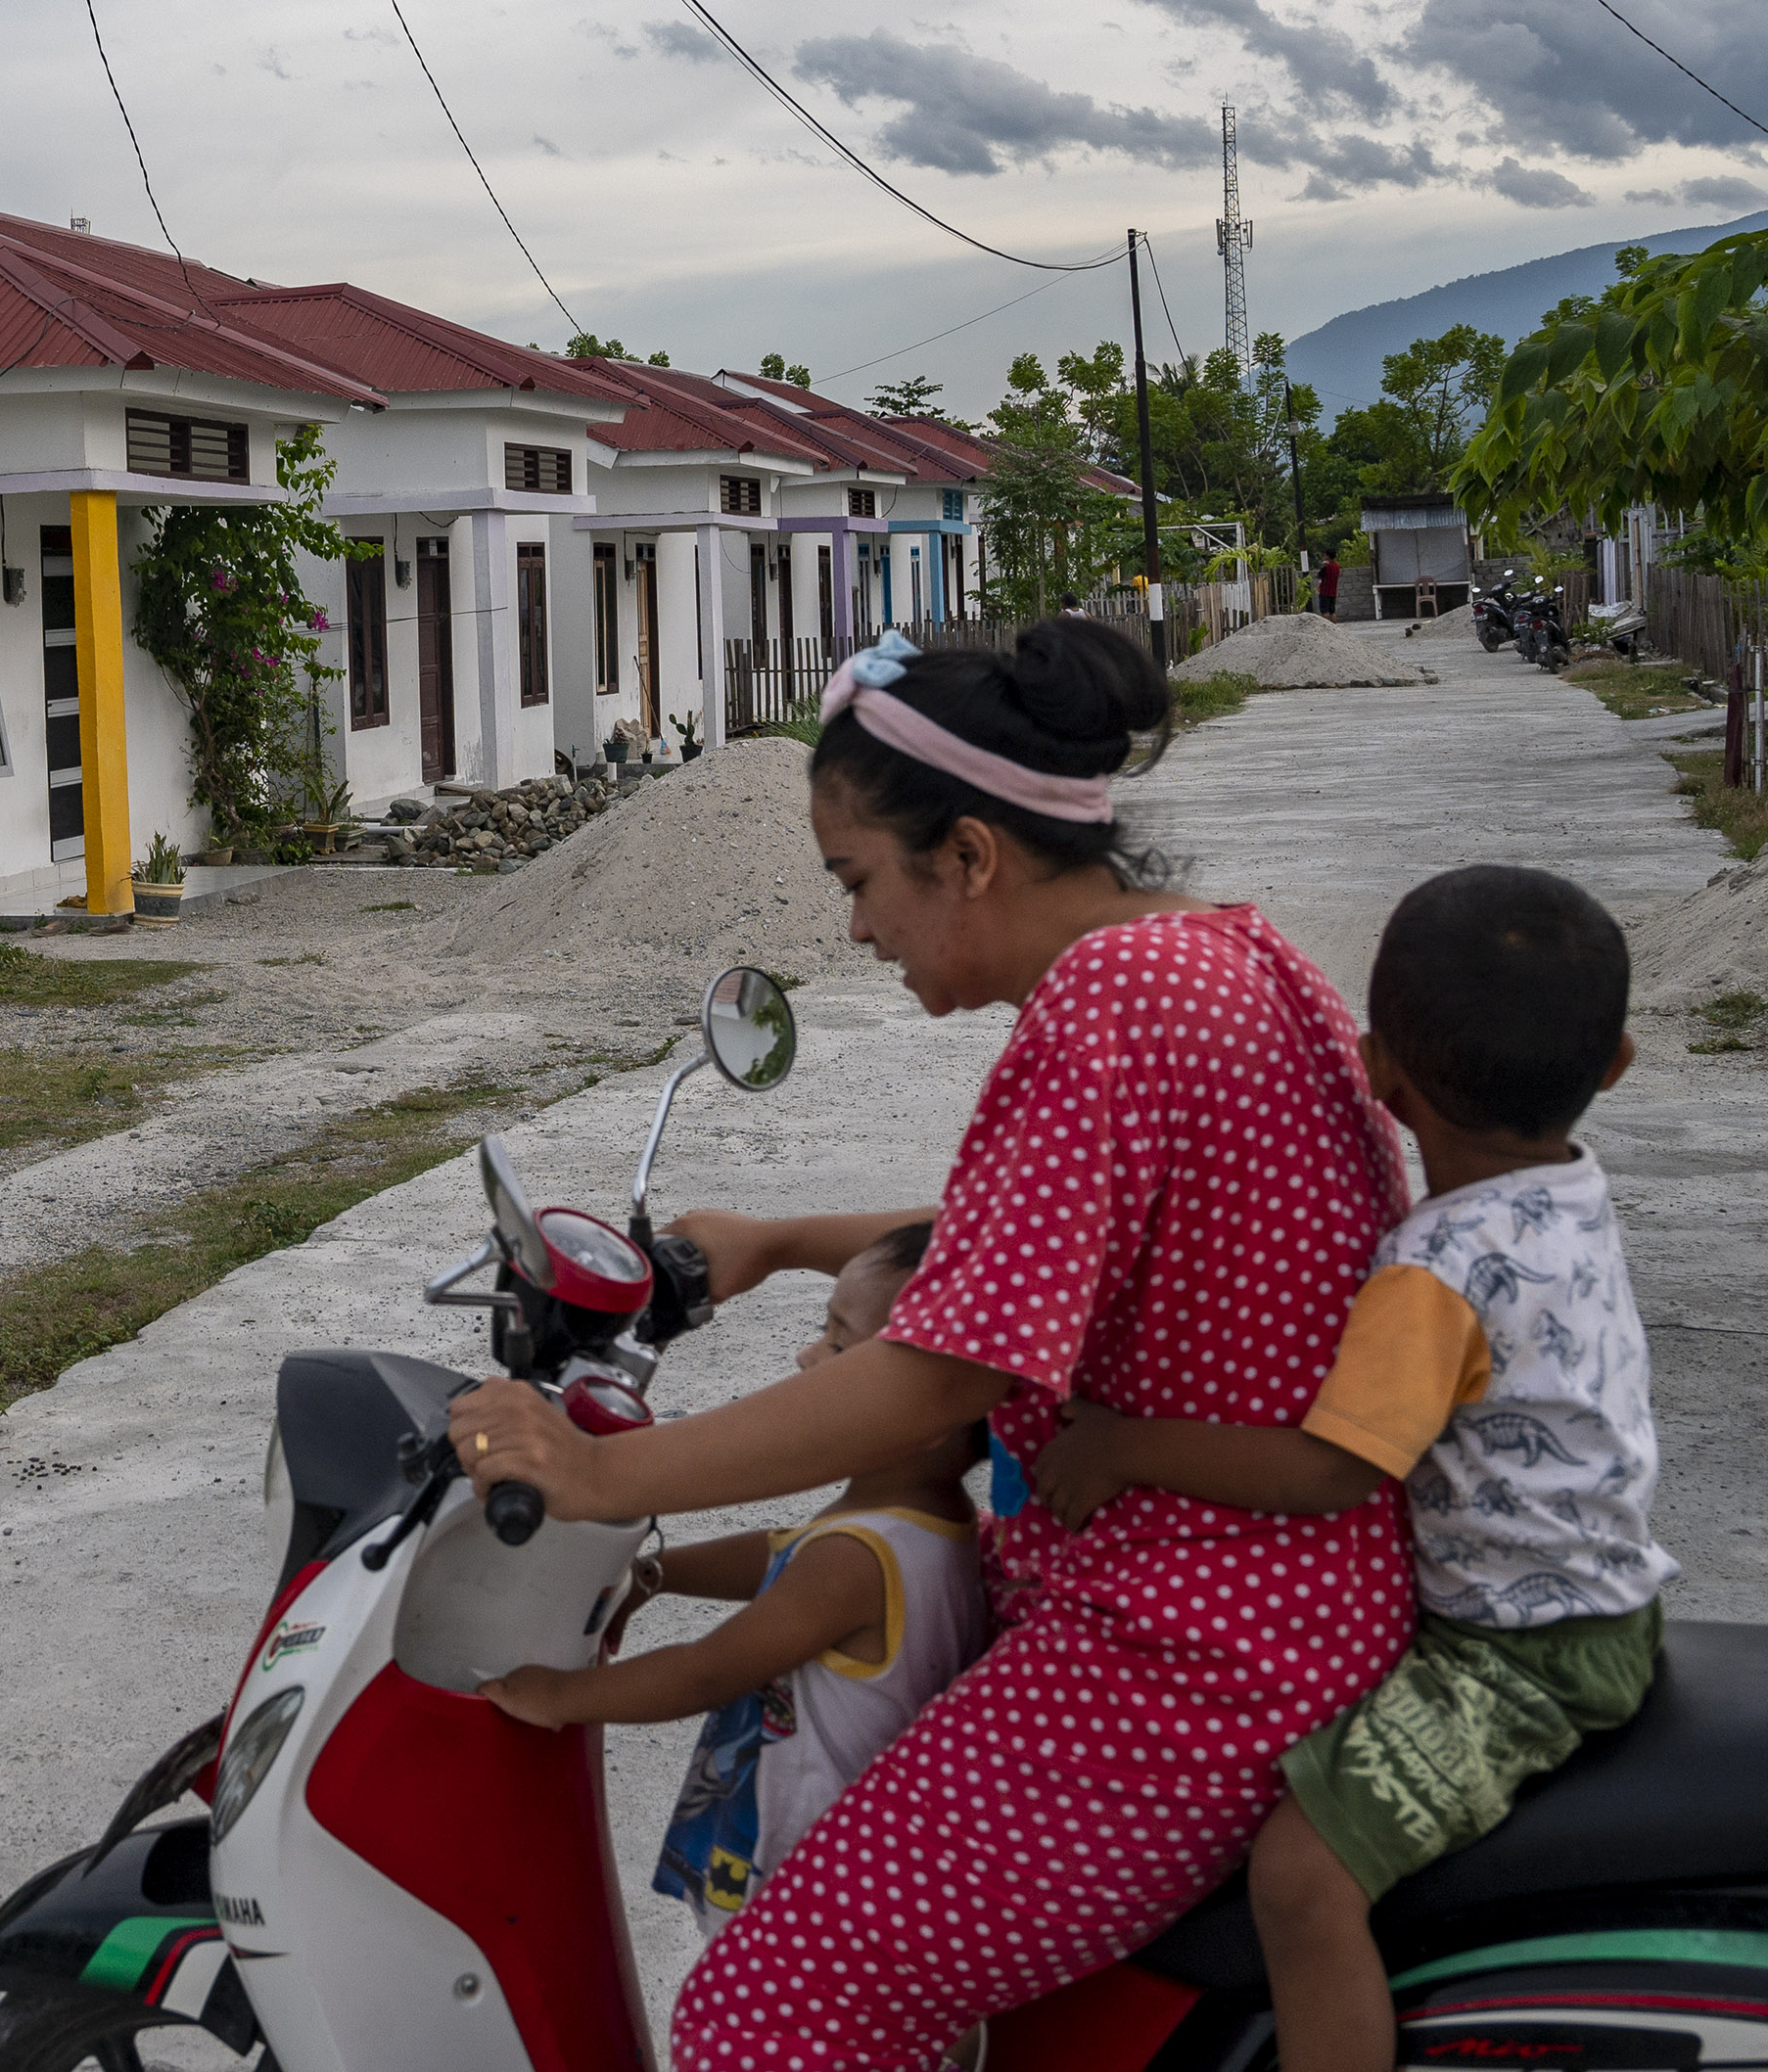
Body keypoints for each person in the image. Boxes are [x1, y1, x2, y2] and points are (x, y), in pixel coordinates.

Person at [450, 620, 1412, 2072]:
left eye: (859, 882)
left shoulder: (1101, 1009)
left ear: (968, 854)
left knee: (769, 2001)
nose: (854, 931)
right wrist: (779, 1239)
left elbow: (947, 1366)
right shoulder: (1214, 955)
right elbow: (1040, 1235)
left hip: (1187, 1655)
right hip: (1292, 1604)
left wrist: (591, 1485)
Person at [1030, 864, 1674, 2072]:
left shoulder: (1433, 1271)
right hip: (1595, 1597)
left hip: (1521, 1658)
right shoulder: (1568, 1195)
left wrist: (1122, 1444)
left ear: (1377, 1074)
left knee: (1298, 1874)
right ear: (1616, 1065)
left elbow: (1329, 1471)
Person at [481, 1221, 989, 1934]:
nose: (809, 1358)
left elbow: (704, 1672)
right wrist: (655, 1574)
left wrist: (562, 1694)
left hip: (808, 1897)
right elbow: (786, 1551)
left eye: (841, 1349)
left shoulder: (856, 1562)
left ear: (926, 1410)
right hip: (853, 1872)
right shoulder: (924, 1519)